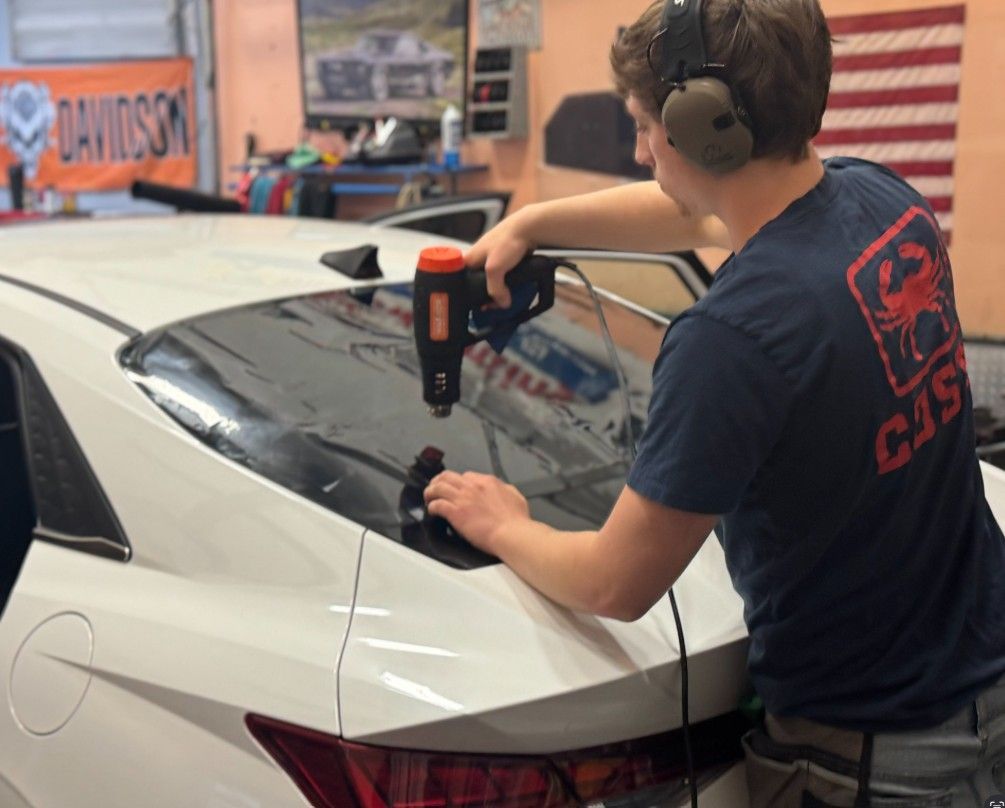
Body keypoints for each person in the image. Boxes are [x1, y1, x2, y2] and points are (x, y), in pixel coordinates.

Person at [423, 0, 1005, 804]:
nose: (638, 152)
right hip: (977, 683)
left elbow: (613, 586)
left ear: (703, 129)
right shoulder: (881, 202)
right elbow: (692, 211)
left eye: (642, 129)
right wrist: (533, 221)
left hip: (877, 752)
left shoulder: (732, 338)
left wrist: (506, 525)